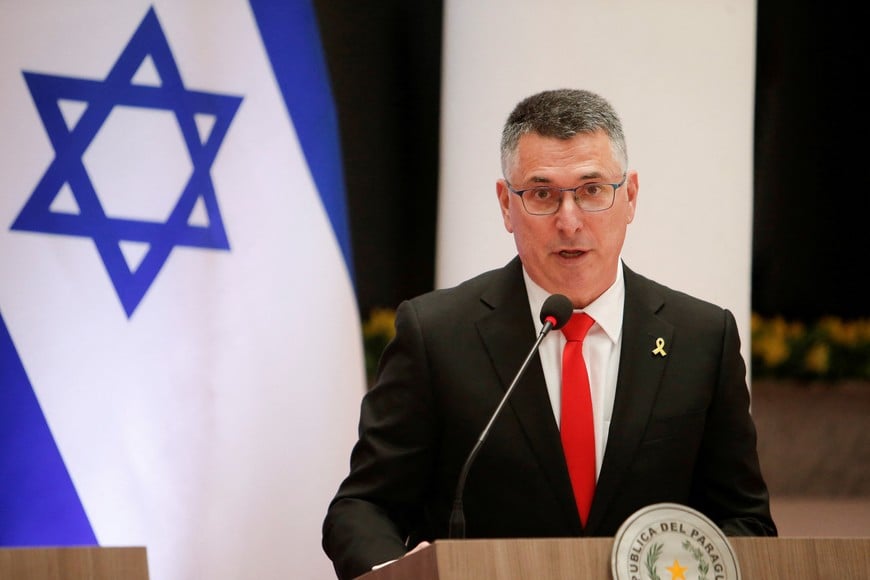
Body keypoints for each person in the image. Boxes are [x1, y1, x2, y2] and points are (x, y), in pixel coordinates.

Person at [322, 88, 777, 580]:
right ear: (506, 204)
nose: (569, 220)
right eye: (542, 194)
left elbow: (745, 522)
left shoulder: (702, 339)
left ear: (630, 196)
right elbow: (364, 506)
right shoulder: (436, 335)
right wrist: (397, 572)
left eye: (592, 190)